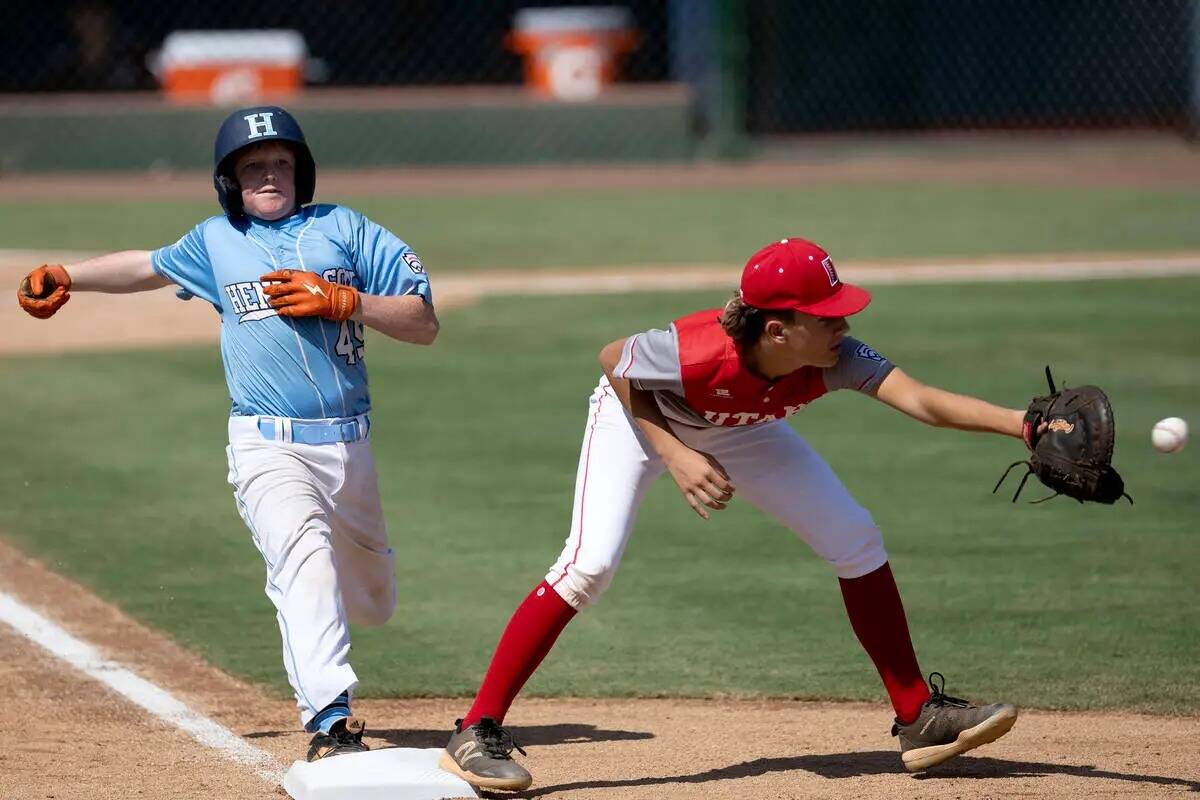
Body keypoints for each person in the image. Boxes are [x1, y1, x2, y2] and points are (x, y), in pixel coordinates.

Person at [438, 237, 1025, 791]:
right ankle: (475, 729)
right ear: (778, 330)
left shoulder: (833, 357)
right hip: (639, 423)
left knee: (854, 536)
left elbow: (920, 399)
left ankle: (916, 715)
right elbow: (615, 361)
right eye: (827, 317)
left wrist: (1023, 425)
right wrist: (674, 451)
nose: (844, 326)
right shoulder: (695, 350)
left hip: (743, 429)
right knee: (588, 566)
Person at [16, 106, 439, 762]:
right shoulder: (217, 242)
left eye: (280, 163)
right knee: (303, 561)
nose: (269, 175)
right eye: (252, 167)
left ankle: (341, 652)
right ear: (230, 182)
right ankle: (330, 720)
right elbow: (147, 267)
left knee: (375, 601)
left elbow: (422, 320)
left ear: (301, 171)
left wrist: (347, 301)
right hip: (267, 444)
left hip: (350, 445)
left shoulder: (347, 229)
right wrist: (72, 275)